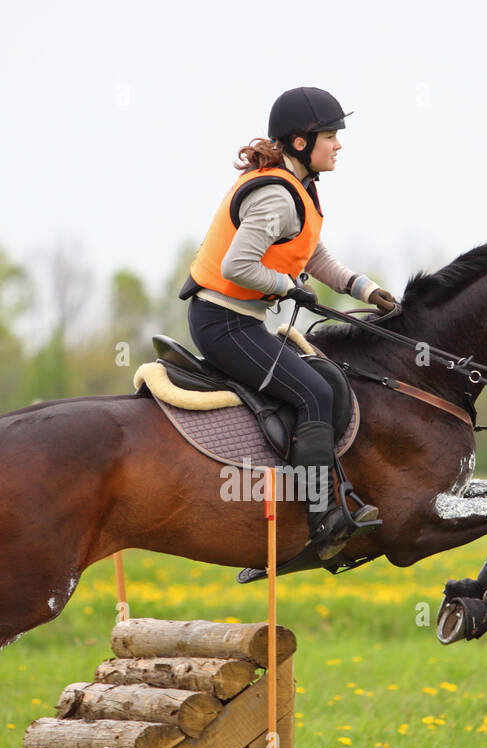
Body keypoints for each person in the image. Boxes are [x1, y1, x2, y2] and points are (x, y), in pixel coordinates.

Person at [179, 86, 394, 560]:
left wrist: (364, 288)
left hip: (241, 321)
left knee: (330, 382)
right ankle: (321, 518)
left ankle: (328, 498)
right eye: (330, 136)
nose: (338, 144)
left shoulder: (300, 187)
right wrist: (287, 287)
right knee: (313, 393)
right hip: (223, 323)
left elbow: (310, 252)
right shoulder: (277, 194)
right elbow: (237, 266)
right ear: (301, 142)